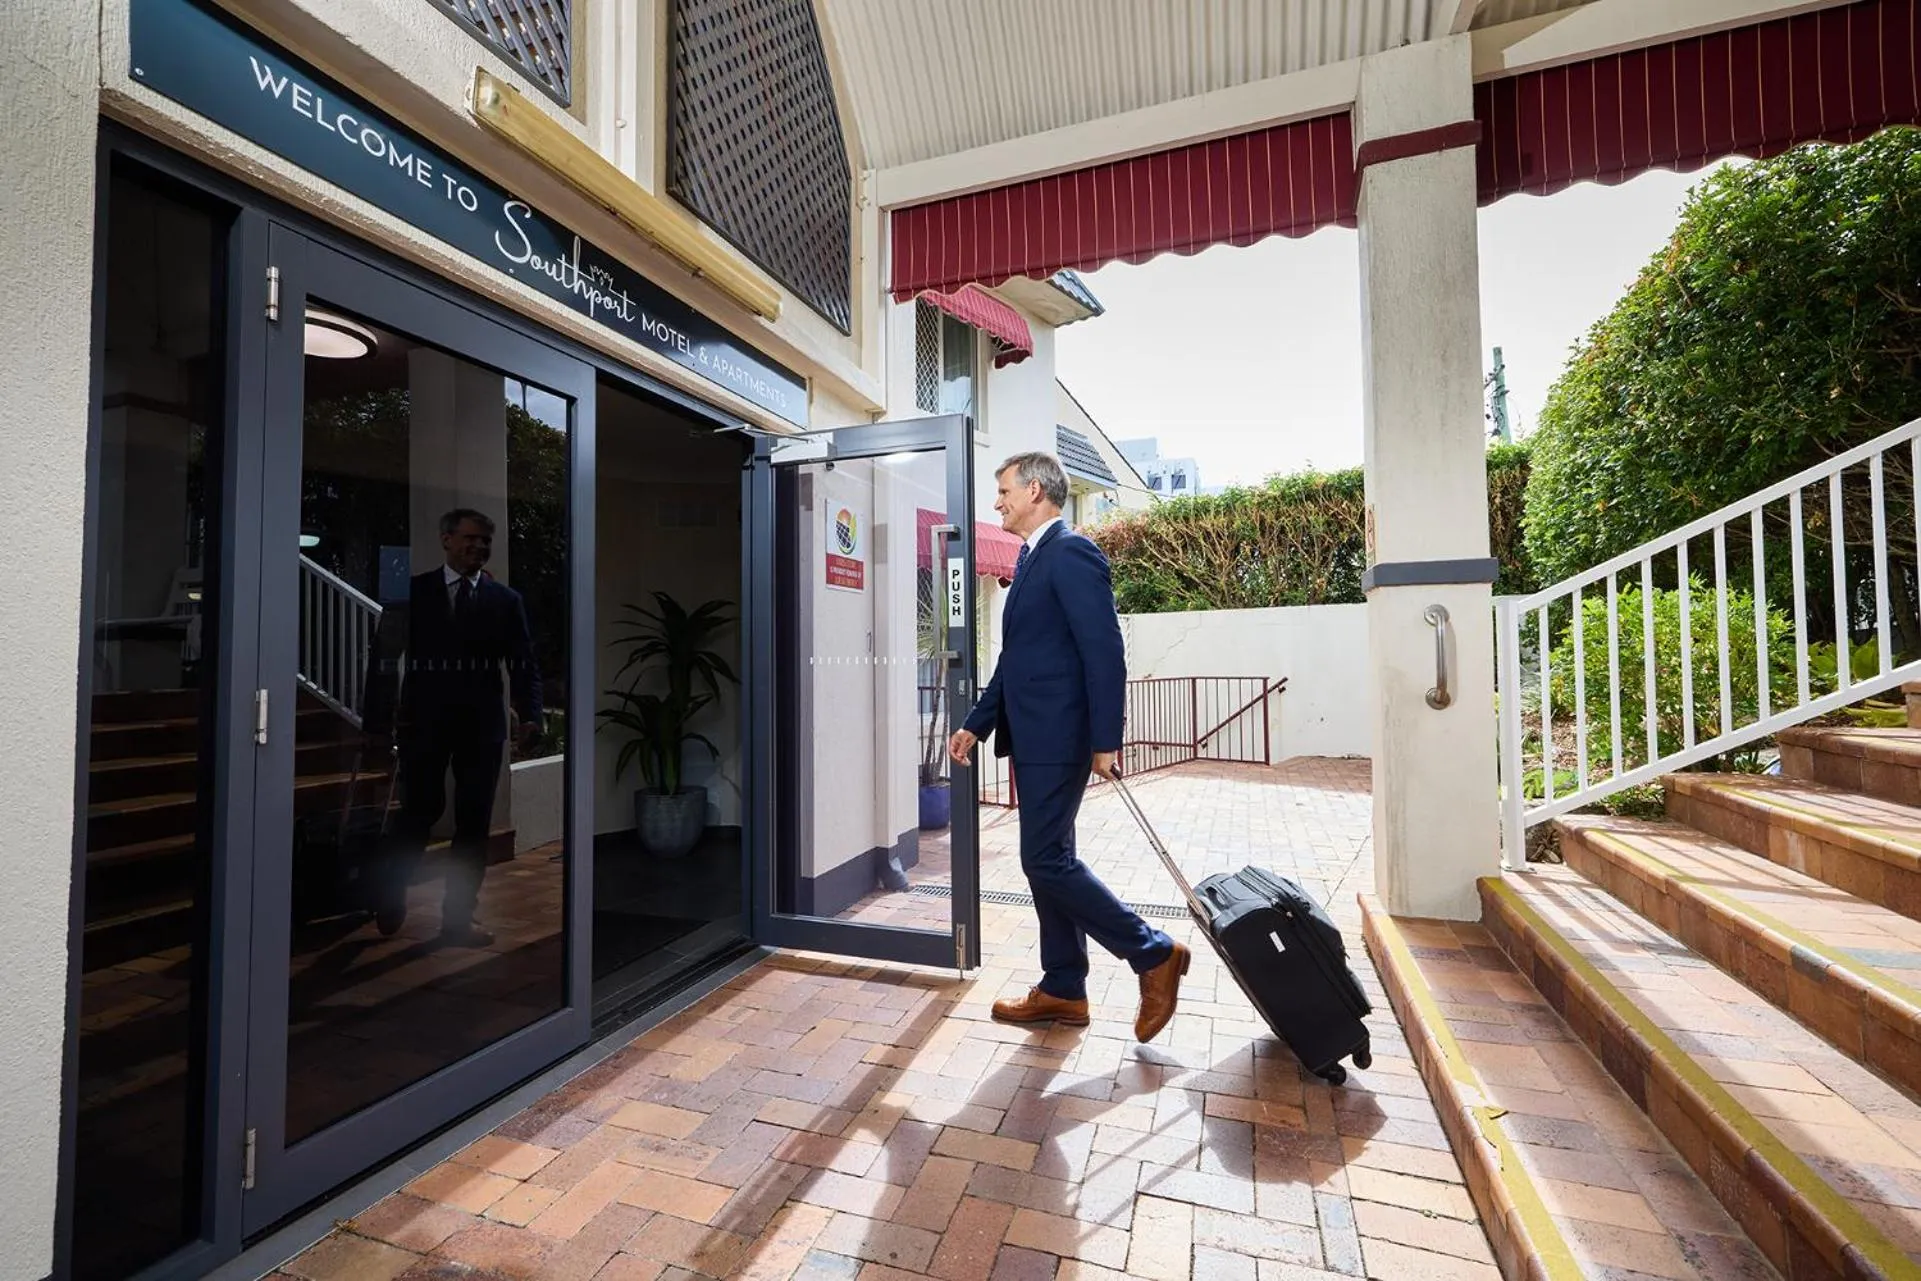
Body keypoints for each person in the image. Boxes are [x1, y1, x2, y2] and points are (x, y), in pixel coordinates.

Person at [949, 452, 1189, 1041]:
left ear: (1035, 490)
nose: (998, 501)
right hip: (1031, 737)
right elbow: (1017, 659)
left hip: (1060, 738)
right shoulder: (1032, 559)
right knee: (1048, 863)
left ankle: (1152, 952)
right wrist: (976, 723)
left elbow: (1104, 651)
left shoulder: (1072, 552)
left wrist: (1106, 739)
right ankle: (1063, 988)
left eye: (1004, 490)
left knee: (1045, 860)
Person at [362, 508, 542, 947]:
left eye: (485, 542)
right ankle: (391, 890)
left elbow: (522, 663)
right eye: (471, 538)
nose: (478, 547)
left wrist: (531, 713)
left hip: (481, 728)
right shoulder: (412, 593)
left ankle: (459, 919)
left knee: (473, 824)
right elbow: (384, 662)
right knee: (419, 812)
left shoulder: (505, 601)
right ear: (446, 540)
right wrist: (377, 724)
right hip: (423, 722)